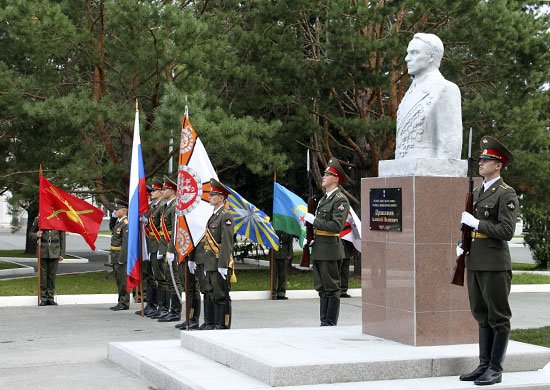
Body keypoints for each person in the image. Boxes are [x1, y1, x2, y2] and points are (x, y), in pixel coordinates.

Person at [458, 136, 519, 386]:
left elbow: (506, 231)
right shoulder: (477, 191)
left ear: (499, 165)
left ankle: (495, 368)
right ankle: (483, 365)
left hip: (494, 263)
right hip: (475, 261)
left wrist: (477, 223)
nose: (481, 163)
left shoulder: (506, 193)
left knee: (498, 316)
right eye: (481, 159)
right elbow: (470, 228)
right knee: (481, 314)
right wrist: (463, 243)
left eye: (487, 160)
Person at [395, 33, 462, 160]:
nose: (407, 58)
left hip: (426, 172)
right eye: (408, 53)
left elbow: (450, 143)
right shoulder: (410, 92)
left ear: (431, 56)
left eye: (414, 53)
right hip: (403, 169)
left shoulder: (445, 89)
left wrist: (440, 178)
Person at [304, 158, 350, 326]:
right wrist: (310, 236)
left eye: (327, 174)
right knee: (321, 288)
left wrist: (314, 220)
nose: (323, 177)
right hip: (319, 248)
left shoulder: (340, 200)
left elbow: (336, 226)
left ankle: (330, 323)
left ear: (336, 178)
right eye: (324, 174)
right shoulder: (324, 199)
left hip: (330, 250)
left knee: (331, 288)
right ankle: (324, 322)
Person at [188, 179, 234, 330]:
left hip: (218, 262)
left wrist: (223, 264)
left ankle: (222, 324)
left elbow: (227, 243)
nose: (210, 196)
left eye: (214, 194)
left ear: (221, 198)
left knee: (221, 294)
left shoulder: (225, 216)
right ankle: (211, 322)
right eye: (211, 193)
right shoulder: (214, 215)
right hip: (210, 262)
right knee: (211, 292)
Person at [137, 178, 164, 317]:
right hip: (150, 244)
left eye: (154, 190)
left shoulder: (162, 206)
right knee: (150, 276)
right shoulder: (153, 207)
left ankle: (161, 307)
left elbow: (162, 228)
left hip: (158, 245)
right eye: (151, 190)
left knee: (159, 278)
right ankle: (151, 305)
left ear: (161, 192)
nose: (152, 193)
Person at [156, 176, 182, 323]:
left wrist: (171, 249)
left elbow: (176, 231)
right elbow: (163, 231)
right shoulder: (167, 206)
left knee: (174, 279)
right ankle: (172, 310)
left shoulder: (174, 207)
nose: (162, 191)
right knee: (169, 279)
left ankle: (176, 311)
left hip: (172, 248)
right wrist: (162, 248)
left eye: (165, 189)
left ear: (171, 191)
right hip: (166, 246)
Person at [30, 217, 66, 306]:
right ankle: (43, 298)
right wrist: (36, 235)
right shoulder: (38, 219)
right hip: (43, 250)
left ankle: (50, 297)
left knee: (52, 276)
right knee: (43, 275)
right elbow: (31, 234)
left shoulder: (59, 219)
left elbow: (62, 238)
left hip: (55, 251)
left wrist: (62, 253)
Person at [110, 200, 130, 311]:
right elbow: (111, 228)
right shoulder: (119, 222)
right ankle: (120, 301)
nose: (115, 211)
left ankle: (124, 302)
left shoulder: (125, 223)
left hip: (120, 255)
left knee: (123, 280)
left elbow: (125, 243)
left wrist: (123, 258)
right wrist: (112, 217)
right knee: (118, 279)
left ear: (124, 210)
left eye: (117, 210)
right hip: (115, 255)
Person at [272, 230, 293, 300]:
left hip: (284, 254)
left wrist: (290, 253)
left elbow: (290, 243)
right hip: (274, 253)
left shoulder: (287, 229)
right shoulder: (273, 227)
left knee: (282, 275)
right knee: (273, 275)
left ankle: (281, 293)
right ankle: (273, 293)